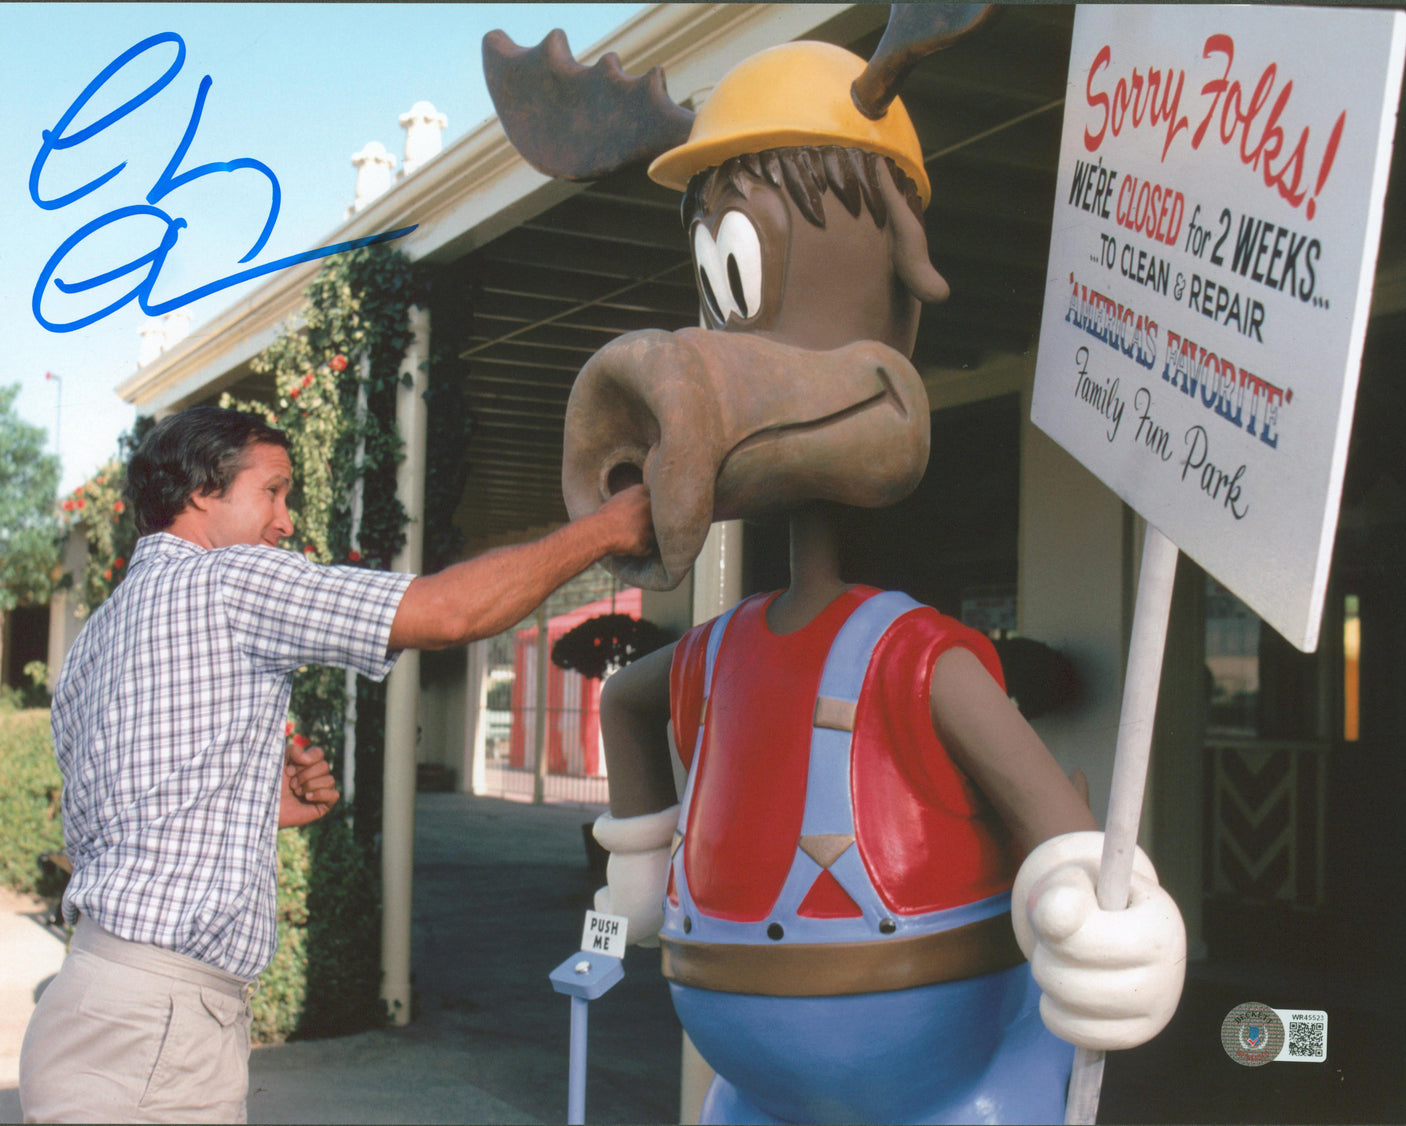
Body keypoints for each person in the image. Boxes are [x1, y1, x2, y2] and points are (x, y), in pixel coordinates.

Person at [18, 405, 652, 1123]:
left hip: (91, 1002)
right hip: (159, 1029)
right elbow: (448, 612)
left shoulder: (98, 635)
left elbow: (119, 815)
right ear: (200, 492)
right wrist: (606, 530)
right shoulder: (230, 582)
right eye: (274, 491)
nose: (286, 521)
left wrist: (251, 797)